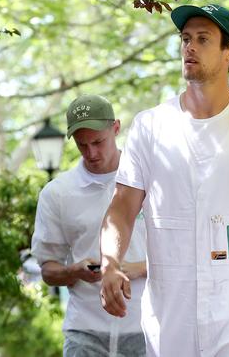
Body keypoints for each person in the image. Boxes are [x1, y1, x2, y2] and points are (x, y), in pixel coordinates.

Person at [98, 3, 229, 356]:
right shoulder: (151, 125)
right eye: (185, 39)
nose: (189, 47)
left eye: (202, 39)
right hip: (170, 317)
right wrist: (110, 263)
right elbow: (121, 208)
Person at [31, 94, 147, 356]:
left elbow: (181, 254)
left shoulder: (151, 180)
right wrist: (75, 271)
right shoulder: (57, 193)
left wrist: (133, 268)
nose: (92, 153)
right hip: (84, 332)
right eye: (82, 145)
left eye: (98, 142)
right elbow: (48, 270)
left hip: (146, 328)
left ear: (116, 128)